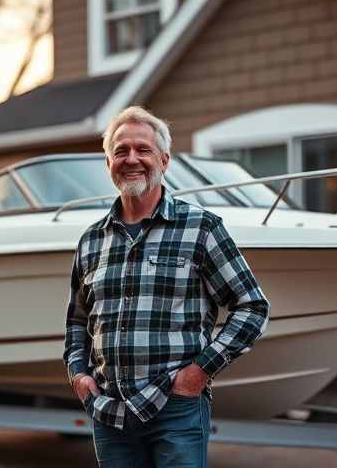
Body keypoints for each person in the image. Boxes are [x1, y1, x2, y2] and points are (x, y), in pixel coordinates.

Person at [63, 106, 270, 467]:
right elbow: (78, 321)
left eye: (142, 150)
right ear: (108, 162)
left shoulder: (201, 228)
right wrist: (79, 375)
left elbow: (252, 307)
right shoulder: (91, 241)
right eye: (121, 151)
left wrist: (198, 373)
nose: (132, 159)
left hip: (175, 409)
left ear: (164, 159)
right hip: (109, 414)